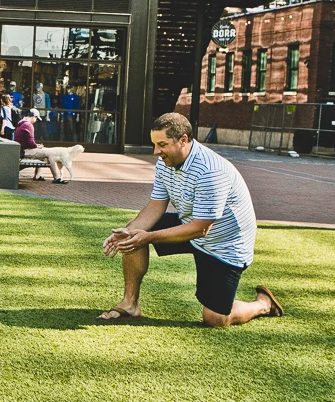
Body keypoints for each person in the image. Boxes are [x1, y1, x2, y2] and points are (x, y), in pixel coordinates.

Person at [98, 112, 284, 327]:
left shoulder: (210, 171)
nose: (156, 151)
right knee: (132, 233)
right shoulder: (165, 163)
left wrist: (147, 237)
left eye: (162, 144)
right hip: (194, 224)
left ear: (183, 140)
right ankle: (130, 303)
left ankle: (263, 304)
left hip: (224, 244)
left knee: (215, 319)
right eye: (154, 144)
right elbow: (155, 206)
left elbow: (200, 228)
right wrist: (126, 234)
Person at [14, 108, 65, 183]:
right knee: (50, 153)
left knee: (43, 151)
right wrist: (36, 146)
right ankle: (56, 177)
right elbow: (31, 143)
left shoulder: (21, 123)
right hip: (25, 151)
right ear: (33, 116)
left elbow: (28, 142)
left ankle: (37, 175)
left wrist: (36, 146)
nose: (36, 120)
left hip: (21, 149)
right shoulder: (28, 125)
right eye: (36, 118)